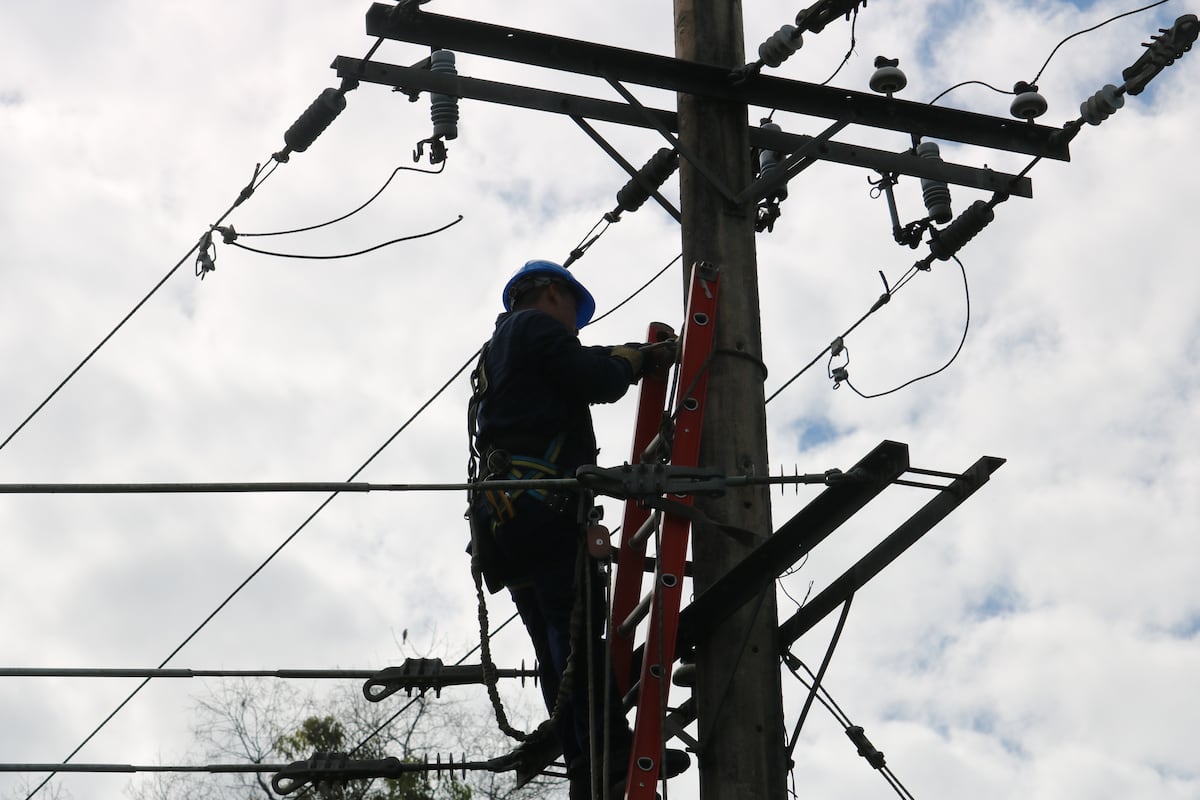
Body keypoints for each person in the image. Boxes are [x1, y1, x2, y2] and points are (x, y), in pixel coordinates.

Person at [467, 259, 684, 799]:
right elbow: (593, 379)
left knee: (554, 651)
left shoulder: (497, 351)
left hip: (508, 523)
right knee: (576, 638)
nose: (575, 326)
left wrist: (622, 355)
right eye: (574, 313)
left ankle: (588, 773)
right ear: (552, 294)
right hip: (544, 513)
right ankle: (613, 756)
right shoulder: (533, 327)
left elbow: (575, 365)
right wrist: (633, 361)